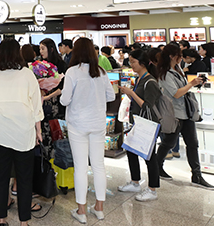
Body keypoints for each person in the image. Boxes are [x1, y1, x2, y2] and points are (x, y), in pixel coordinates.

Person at [0, 39, 43, 226]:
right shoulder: (27, 75)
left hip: (1, 131)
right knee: (24, 177)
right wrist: (38, 131)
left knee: (1, 176)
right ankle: (24, 221)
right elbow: (36, 104)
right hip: (24, 131)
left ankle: (1, 219)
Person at [60, 38, 115, 223]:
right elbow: (111, 95)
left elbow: (65, 100)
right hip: (98, 124)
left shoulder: (72, 72)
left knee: (81, 167)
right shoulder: (100, 71)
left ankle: (81, 210)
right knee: (99, 165)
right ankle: (99, 208)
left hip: (77, 125)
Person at [154, 44, 214, 190]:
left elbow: (182, 90)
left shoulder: (178, 69)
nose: (181, 58)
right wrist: (191, 83)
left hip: (186, 112)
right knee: (168, 143)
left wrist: (194, 84)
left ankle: (197, 175)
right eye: (179, 55)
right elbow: (176, 93)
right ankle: (156, 166)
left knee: (192, 143)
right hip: (175, 114)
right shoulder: (164, 73)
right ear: (171, 56)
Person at [118, 49, 161, 202]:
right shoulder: (140, 79)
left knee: (150, 156)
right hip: (137, 122)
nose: (131, 65)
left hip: (148, 124)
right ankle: (135, 182)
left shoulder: (150, 82)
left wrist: (131, 93)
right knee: (130, 150)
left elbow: (148, 106)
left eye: (133, 62)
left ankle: (152, 189)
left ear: (143, 63)